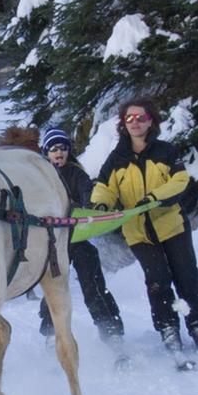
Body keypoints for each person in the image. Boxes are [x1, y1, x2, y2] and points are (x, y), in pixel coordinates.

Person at [90, 98, 198, 370]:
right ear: (123, 124)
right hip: (138, 232)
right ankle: (168, 329)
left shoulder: (166, 152)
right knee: (157, 280)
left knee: (187, 276)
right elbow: (105, 186)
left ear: (151, 121)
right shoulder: (117, 159)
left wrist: (153, 198)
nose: (135, 122)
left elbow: (180, 181)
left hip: (172, 226)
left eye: (140, 117)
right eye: (129, 118)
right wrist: (101, 204)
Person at [38, 126, 125, 348]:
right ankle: (51, 335)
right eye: (54, 148)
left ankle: (111, 331)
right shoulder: (39, 175)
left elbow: (88, 190)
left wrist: (88, 205)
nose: (59, 152)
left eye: (63, 148)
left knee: (93, 283)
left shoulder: (76, 172)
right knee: (54, 286)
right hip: (52, 244)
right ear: (46, 152)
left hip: (77, 238)